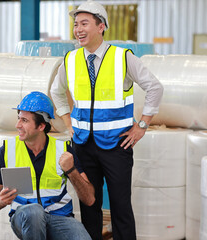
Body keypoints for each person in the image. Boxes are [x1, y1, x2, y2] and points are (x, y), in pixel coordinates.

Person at [50, 1, 164, 240]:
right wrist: (68, 123)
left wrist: (142, 125)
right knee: (89, 206)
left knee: (121, 207)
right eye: (75, 24)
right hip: (82, 145)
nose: (78, 29)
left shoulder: (123, 58)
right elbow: (56, 92)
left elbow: (154, 87)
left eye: (84, 23)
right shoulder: (70, 60)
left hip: (116, 145)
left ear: (101, 26)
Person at [0, 91, 95, 240]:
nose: (17, 125)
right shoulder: (7, 151)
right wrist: (0, 201)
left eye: (24, 120)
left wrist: (71, 170)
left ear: (41, 126)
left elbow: (89, 199)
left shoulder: (63, 150)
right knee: (34, 212)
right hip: (25, 217)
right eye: (18, 119)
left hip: (59, 218)